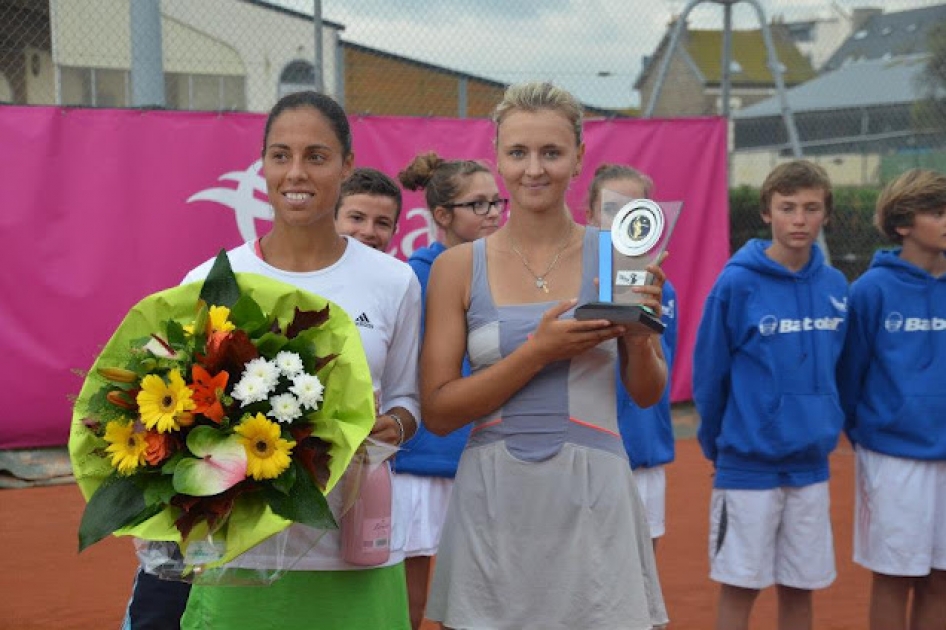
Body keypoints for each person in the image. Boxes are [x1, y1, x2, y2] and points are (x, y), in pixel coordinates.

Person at [124, 90, 422, 630]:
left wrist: (385, 429)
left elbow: (408, 399)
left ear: (346, 165)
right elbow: (175, 408)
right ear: (262, 165)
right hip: (240, 557)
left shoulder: (393, 281)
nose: (296, 173)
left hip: (354, 547)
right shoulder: (214, 279)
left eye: (317, 156)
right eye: (281, 155)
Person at [420, 80, 668, 630]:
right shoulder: (457, 268)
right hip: (494, 504)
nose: (535, 169)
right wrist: (538, 352)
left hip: (594, 498)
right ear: (499, 158)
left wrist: (641, 335)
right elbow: (437, 412)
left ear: (579, 158)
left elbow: (647, 392)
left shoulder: (615, 252)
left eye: (551, 152)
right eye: (519, 152)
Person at [693, 160, 848, 630]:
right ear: (767, 213)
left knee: (800, 588)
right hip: (746, 463)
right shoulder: (736, 283)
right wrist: (721, 444)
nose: (799, 219)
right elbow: (710, 376)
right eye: (787, 208)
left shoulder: (836, 287)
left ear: (825, 214)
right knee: (741, 586)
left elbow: (841, 369)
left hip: (810, 465)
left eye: (810, 208)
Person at [394, 151, 503, 629]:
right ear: (442, 216)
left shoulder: (503, 273)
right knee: (410, 603)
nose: (493, 212)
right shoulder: (413, 277)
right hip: (419, 462)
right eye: (478, 204)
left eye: (496, 201)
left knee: (477, 600)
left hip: (483, 457)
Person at [837, 168, 946, 630]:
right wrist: (872, 435)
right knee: (894, 577)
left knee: (941, 578)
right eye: (937, 212)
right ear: (903, 224)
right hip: (894, 458)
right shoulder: (870, 291)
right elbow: (849, 375)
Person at [586, 163, 678, 551]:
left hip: (640, 458)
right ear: (588, 215)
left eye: (636, 208)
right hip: (581, 463)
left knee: (640, 596)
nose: (624, 220)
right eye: (611, 209)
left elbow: (654, 381)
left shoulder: (661, 289)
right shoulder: (569, 282)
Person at [335, 166, 403, 252]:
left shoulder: (399, 266)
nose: (369, 232)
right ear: (332, 220)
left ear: (393, 231)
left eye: (382, 223)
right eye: (357, 218)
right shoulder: (313, 264)